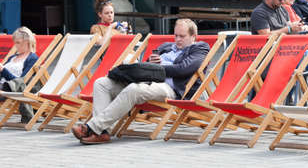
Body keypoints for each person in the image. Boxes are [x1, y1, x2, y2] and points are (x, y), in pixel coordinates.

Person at [71, 19, 209, 144]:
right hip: (148, 82)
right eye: (176, 35)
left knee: (134, 89)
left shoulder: (199, 48)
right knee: (101, 83)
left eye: (182, 36)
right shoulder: (166, 47)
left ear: (193, 36)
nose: (177, 39)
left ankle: (92, 127)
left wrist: (158, 68)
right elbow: (145, 66)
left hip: (170, 88)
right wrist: (150, 62)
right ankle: (102, 133)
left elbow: (183, 69)